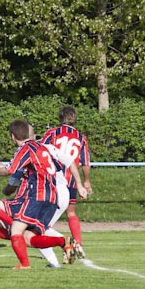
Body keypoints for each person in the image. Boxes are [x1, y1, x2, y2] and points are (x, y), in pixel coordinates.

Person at [0, 119, 87, 270]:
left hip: (37, 196)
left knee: (12, 225)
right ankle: (62, 242)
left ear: (13, 136)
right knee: (27, 237)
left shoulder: (25, 149)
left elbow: (11, 171)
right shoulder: (44, 147)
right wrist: (80, 184)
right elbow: (68, 162)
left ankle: (26, 264)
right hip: (54, 195)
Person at [41, 106, 92, 259]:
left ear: (60, 117)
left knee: (45, 216)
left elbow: (41, 151)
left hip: (54, 179)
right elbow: (85, 162)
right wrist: (86, 181)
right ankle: (79, 244)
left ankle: (53, 244)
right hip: (72, 179)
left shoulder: (52, 133)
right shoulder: (81, 137)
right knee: (71, 212)